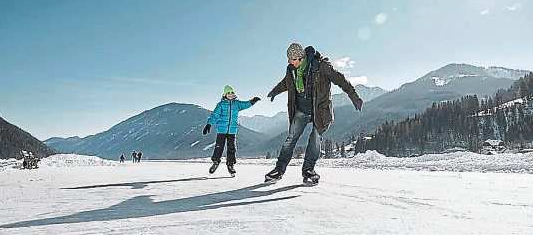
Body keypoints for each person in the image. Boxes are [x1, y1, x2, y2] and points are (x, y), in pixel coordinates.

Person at [264, 43, 363, 185]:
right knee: (291, 139)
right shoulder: (291, 70)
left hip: (320, 110)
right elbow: (286, 83)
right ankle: (278, 170)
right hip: (301, 110)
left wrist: (354, 97)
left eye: (291, 59)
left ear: (300, 58)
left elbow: (341, 80)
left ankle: (308, 171)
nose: (289, 62)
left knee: (315, 138)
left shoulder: (321, 66)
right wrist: (275, 91)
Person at [203, 85, 260, 176]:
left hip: (232, 131)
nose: (230, 94)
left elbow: (245, 104)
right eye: (228, 93)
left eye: (232, 92)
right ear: (225, 94)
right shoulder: (221, 104)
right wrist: (209, 124)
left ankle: (230, 165)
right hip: (222, 130)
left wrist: (252, 101)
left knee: (231, 148)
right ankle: (216, 162)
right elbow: (215, 115)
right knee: (219, 147)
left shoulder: (237, 104)